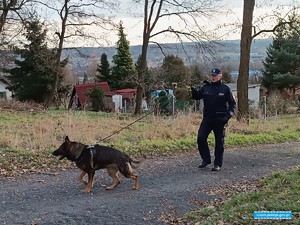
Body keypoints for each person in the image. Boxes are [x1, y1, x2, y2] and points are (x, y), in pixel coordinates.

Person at [191, 68, 236, 171]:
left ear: (220, 76)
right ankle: (206, 159)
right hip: (207, 119)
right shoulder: (206, 87)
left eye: (215, 75)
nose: (213, 77)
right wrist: (193, 90)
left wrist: (227, 116)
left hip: (220, 119)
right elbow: (197, 97)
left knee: (219, 142)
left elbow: (232, 104)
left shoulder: (225, 89)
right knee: (201, 138)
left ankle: (217, 164)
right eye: (212, 75)